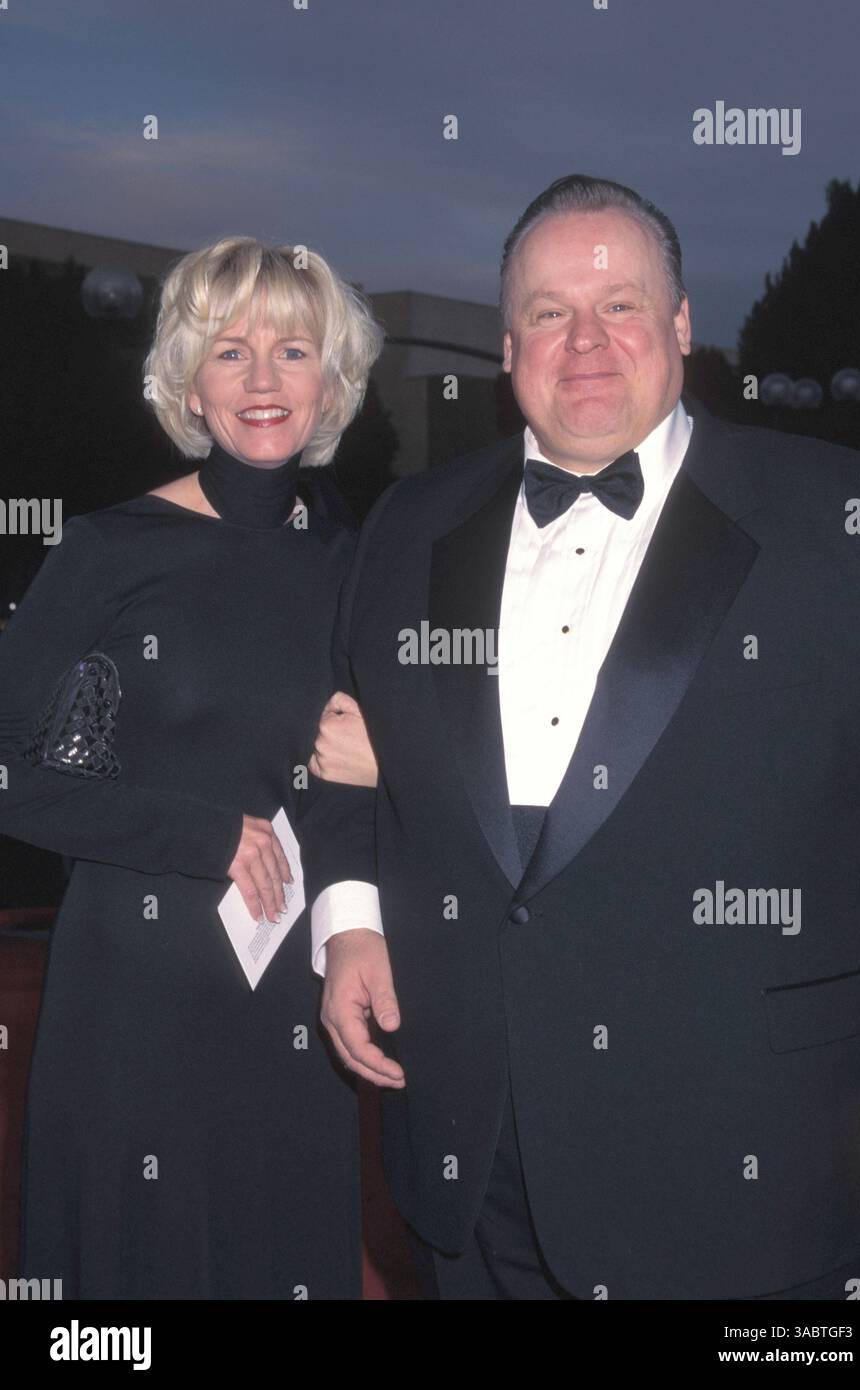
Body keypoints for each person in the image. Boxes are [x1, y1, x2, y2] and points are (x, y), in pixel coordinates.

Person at [304, 174, 860, 1300]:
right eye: (547, 312)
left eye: (620, 304)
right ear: (505, 343)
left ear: (682, 326)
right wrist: (348, 919)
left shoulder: (855, 525)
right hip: (475, 1155)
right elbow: (336, 746)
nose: (583, 341)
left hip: (757, 1168)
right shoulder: (408, 526)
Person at [0, 236, 381, 1299]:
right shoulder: (109, 550)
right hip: (137, 992)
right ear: (189, 383)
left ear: (332, 377)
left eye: (293, 349)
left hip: (293, 996)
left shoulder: (358, 557)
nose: (263, 379)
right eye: (230, 351)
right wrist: (202, 835)